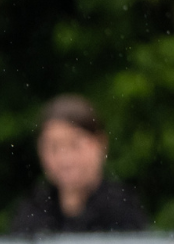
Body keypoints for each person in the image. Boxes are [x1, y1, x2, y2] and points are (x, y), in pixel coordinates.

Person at [9, 94, 148, 234]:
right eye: (53, 147)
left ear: (101, 143)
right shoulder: (32, 211)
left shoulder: (123, 212)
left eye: (75, 145)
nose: (65, 160)